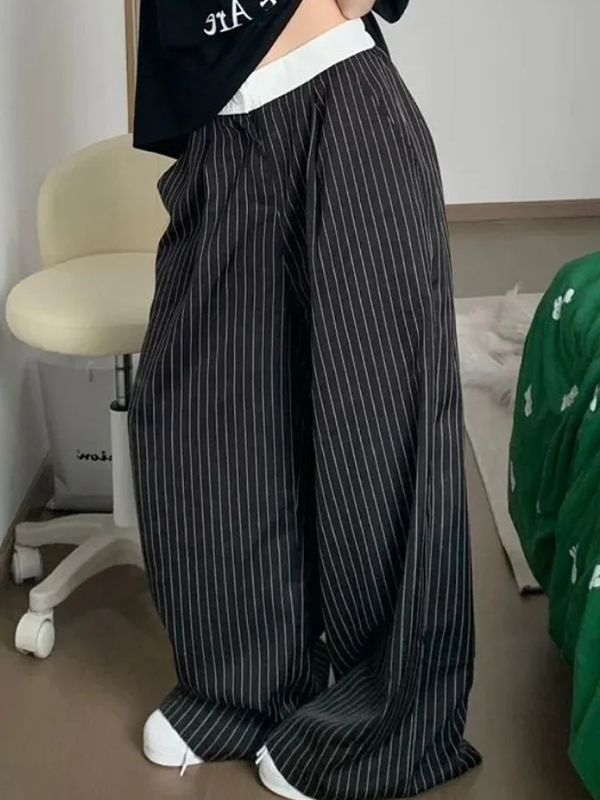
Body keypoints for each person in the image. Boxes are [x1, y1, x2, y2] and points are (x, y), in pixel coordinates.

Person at [129, 1, 481, 798]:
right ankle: (242, 688)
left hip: (342, 107)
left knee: (375, 432)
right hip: (224, 135)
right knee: (206, 417)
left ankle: (387, 720)